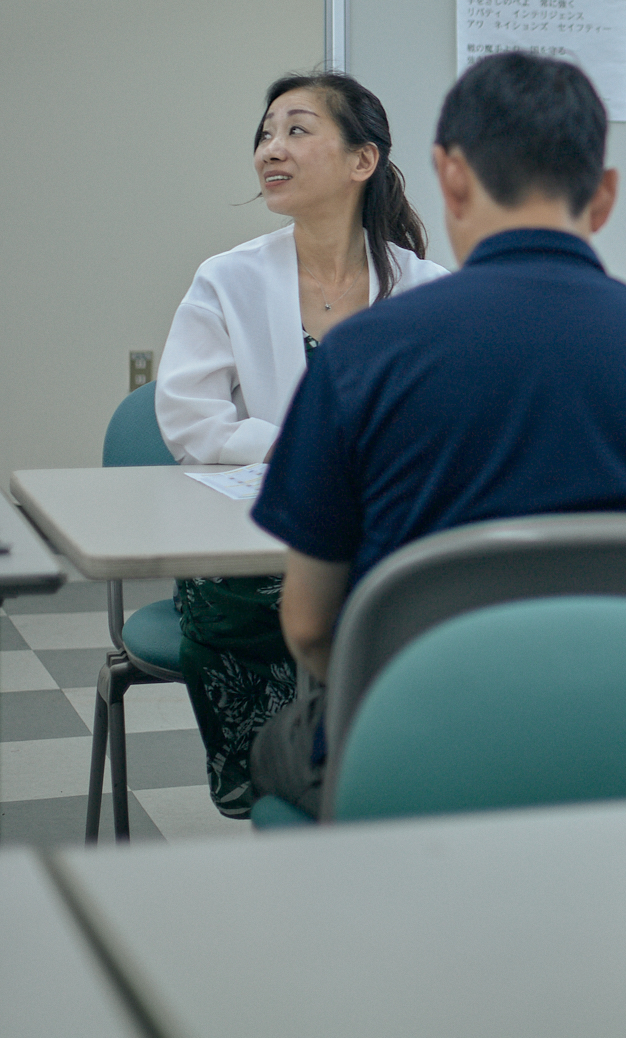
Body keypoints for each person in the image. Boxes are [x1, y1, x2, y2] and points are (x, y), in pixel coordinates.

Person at [247, 52, 626, 815]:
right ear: (603, 196)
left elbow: (306, 622)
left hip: (417, 760)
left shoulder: (361, 359)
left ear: (451, 177)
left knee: (270, 745)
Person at [153, 71, 446, 816]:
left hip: (386, 545)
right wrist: (314, 456)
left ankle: (387, 780)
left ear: (362, 160)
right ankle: (285, 784)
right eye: (264, 134)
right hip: (252, 554)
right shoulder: (226, 279)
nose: (270, 150)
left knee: (433, 601)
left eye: (296, 129)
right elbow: (190, 419)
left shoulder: (424, 288)